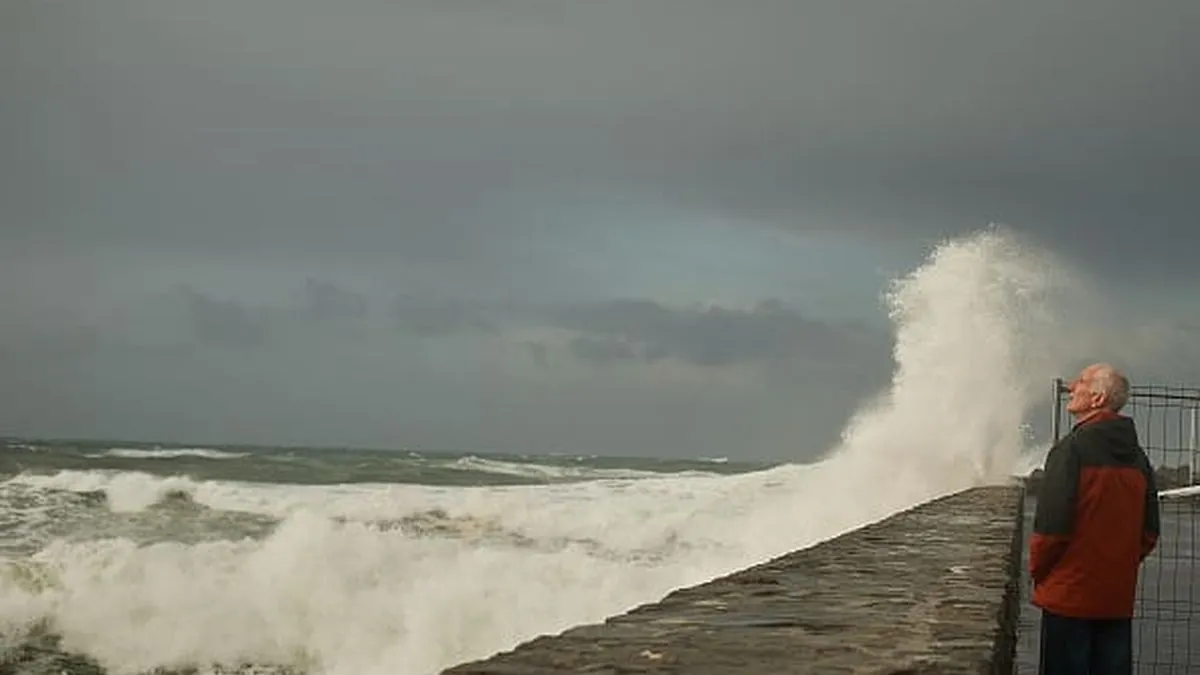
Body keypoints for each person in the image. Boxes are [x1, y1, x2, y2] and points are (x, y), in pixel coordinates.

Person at [1030, 363, 1160, 675]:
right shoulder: (1139, 458)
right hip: (1115, 598)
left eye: (1082, 381)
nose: (1072, 386)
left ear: (1098, 398)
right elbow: (1150, 532)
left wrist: (1039, 572)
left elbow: (1050, 529)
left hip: (1068, 597)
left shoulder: (1070, 450)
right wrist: (1115, 563)